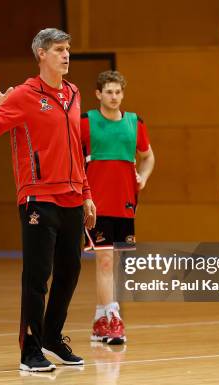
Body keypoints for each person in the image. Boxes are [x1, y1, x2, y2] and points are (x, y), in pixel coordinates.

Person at [0, 28, 96, 372]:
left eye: (68, 49)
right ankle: (30, 350)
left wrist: (86, 193)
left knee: (70, 271)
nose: (66, 55)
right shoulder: (24, 95)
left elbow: (76, 147)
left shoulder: (73, 93)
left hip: (73, 197)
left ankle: (52, 337)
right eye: (59, 49)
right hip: (38, 197)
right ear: (41, 54)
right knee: (37, 276)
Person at [81, 71, 154, 344]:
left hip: (125, 202)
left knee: (115, 261)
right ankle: (112, 316)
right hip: (95, 204)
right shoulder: (85, 122)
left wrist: (143, 177)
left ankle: (100, 317)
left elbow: (148, 156)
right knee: (105, 259)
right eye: (109, 92)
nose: (114, 97)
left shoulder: (135, 123)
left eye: (118, 92)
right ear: (98, 94)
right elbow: (73, 159)